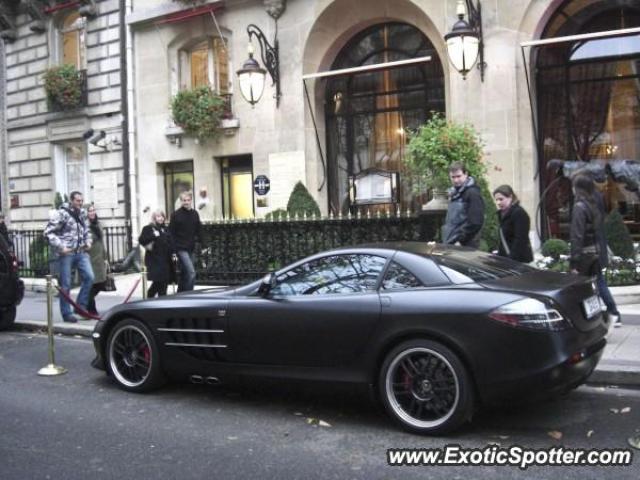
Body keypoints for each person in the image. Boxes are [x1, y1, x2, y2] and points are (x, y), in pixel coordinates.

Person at [569, 174, 621, 327]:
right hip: (596, 251)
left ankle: (587, 319)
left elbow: (577, 236)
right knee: (599, 283)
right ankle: (612, 312)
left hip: (585, 254)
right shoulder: (593, 204)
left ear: (577, 188)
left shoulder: (579, 207)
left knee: (581, 287)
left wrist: (574, 262)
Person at [43, 191, 94, 323]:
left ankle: (80, 306)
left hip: (81, 251)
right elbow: (48, 232)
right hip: (66, 253)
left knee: (89, 277)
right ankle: (66, 313)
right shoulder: (62, 214)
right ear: (71, 200)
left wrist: (88, 241)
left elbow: (86, 230)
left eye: (81, 200)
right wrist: (61, 247)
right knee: (66, 284)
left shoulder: (82, 213)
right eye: (78, 200)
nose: (80, 203)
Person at [442, 162, 485, 248]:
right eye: (453, 177)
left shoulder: (472, 193)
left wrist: (461, 241)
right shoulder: (455, 193)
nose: (456, 180)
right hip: (451, 242)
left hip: (465, 245)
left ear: (466, 174)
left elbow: (475, 222)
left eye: (458, 176)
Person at [169, 191, 202, 292]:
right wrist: (173, 251)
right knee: (191, 272)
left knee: (185, 272)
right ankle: (189, 294)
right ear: (181, 201)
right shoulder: (175, 215)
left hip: (191, 247)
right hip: (180, 248)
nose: (186, 202)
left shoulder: (195, 213)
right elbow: (171, 233)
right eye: (184, 200)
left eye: (188, 200)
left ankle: (180, 292)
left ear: (191, 200)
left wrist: (203, 244)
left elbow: (199, 229)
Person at [493, 185, 534, 263]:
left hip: (519, 261)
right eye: (496, 200)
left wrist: (512, 259)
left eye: (501, 199)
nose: (498, 202)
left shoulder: (519, 213)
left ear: (510, 197)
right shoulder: (502, 214)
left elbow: (520, 240)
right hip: (507, 259)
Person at [139, 210, 175, 297]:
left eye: (162, 216)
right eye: (158, 216)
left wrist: (174, 252)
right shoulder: (148, 228)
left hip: (165, 260)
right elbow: (142, 240)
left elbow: (171, 242)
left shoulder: (165, 229)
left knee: (164, 282)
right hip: (154, 260)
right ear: (154, 218)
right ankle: (153, 298)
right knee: (159, 282)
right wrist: (154, 235)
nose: (161, 218)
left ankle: (157, 299)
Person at [86, 205, 107, 316]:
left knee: (101, 284)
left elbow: (102, 242)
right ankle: (91, 309)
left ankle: (84, 303)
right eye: (90, 211)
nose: (92, 212)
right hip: (90, 258)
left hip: (99, 258)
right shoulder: (85, 225)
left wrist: (106, 257)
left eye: (93, 210)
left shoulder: (99, 224)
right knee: (92, 285)